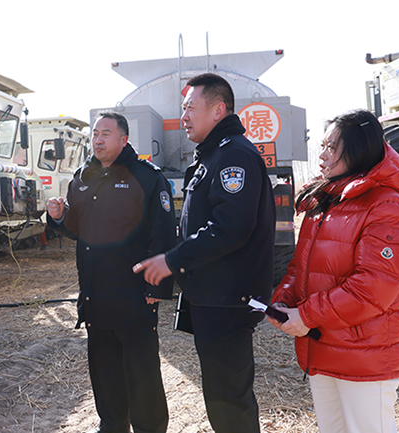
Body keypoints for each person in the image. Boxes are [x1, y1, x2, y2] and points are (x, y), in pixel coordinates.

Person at [134, 73, 275, 433]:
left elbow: (231, 228)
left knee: (230, 402)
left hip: (227, 300)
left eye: (189, 108)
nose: (183, 117)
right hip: (214, 296)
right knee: (221, 397)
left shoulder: (233, 157)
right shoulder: (215, 155)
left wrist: (172, 260)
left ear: (218, 109)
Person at [268, 109, 399, 433]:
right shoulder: (325, 200)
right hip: (323, 347)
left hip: (365, 356)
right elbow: (300, 266)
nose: (322, 156)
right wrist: (284, 300)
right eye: (322, 146)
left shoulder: (388, 207)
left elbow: (372, 288)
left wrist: (306, 316)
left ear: (360, 150)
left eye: (332, 147)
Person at [46, 111, 176, 433]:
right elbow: (80, 230)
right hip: (96, 297)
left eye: (106, 133)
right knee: (106, 381)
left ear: (123, 139)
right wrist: (60, 218)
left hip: (134, 298)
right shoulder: (82, 176)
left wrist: (156, 290)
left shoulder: (147, 177)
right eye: (94, 134)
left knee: (143, 381)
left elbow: (162, 234)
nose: (98, 139)